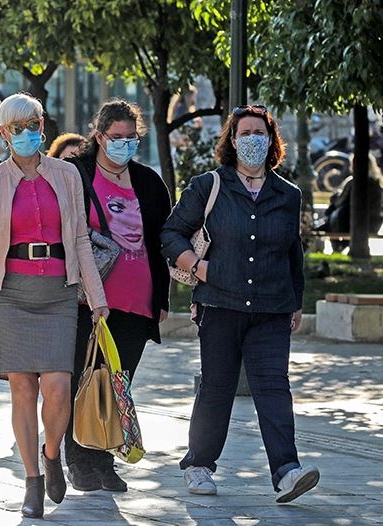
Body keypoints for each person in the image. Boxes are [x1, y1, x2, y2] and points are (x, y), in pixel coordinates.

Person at [0, 93, 108, 518]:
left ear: (44, 126)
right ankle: (32, 480)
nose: (27, 134)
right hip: (11, 293)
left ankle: (51, 451)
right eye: (16, 129)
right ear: (3, 133)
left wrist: (97, 297)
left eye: (34, 125)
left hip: (59, 290)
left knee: (59, 386)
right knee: (22, 389)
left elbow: (81, 238)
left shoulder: (67, 175)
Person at [161, 104, 319, 503]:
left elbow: (292, 252)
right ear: (233, 141)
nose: (253, 140)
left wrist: (295, 301)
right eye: (245, 133)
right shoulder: (208, 186)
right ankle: (199, 464)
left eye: (260, 133)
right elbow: (171, 233)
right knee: (217, 387)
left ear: (272, 141)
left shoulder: (288, 194)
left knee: (274, 387)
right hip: (220, 305)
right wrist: (197, 268)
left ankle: (287, 471)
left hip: (271, 307)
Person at [63, 100, 173, 492]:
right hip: (87, 304)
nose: (124, 145)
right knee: (83, 379)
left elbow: (164, 239)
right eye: (116, 138)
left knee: (117, 385)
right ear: (99, 136)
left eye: (131, 138)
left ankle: (105, 459)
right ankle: (78, 459)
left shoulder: (148, 181)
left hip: (136, 302)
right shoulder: (78, 174)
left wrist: (162, 298)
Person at [313, 153, 383, 249]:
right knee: (338, 210)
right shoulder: (377, 184)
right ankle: (325, 225)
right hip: (374, 225)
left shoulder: (353, 182)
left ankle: (334, 242)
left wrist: (334, 198)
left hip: (352, 224)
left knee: (335, 209)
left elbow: (339, 202)